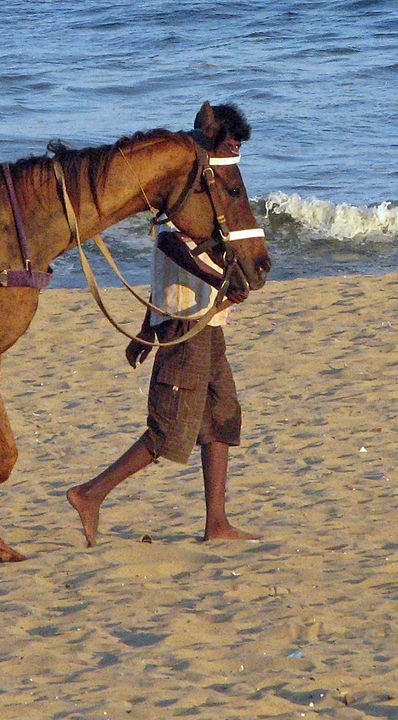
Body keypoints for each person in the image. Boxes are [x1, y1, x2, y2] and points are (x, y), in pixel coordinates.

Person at [66, 103, 258, 546]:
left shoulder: (209, 193)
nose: (235, 151)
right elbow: (173, 250)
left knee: (220, 420)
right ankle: (90, 494)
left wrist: (146, 330)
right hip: (184, 323)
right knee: (168, 427)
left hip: (208, 323)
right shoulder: (184, 193)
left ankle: (216, 523)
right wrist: (217, 281)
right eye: (230, 143)